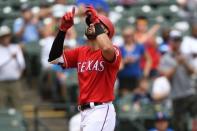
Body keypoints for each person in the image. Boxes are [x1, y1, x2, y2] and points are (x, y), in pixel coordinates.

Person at [48, 6, 121, 131]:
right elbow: (54, 58)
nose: (91, 25)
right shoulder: (80, 51)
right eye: (90, 23)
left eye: (95, 24)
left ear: (106, 32)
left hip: (101, 110)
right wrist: (63, 29)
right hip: (84, 112)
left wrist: (96, 21)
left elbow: (107, 49)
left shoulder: (113, 49)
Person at [159, 30, 197, 131]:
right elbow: (166, 76)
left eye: (179, 40)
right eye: (174, 40)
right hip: (176, 95)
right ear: (170, 41)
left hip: (190, 92)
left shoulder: (186, 55)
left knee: (194, 121)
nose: (177, 42)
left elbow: (193, 71)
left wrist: (184, 62)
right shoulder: (166, 58)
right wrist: (176, 64)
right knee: (179, 125)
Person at [118, 27, 151, 95]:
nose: (127, 38)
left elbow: (148, 59)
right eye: (125, 36)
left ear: (133, 36)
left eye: (129, 36)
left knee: (136, 99)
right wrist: (124, 61)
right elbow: (118, 65)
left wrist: (145, 73)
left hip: (136, 78)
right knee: (125, 100)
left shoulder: (139, 47)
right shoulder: (120, 48)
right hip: (123, 78)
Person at [0, 25, 25, 109]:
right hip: (1, 83)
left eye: (7, 36)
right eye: (3, 36)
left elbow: (22, 64)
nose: (5, 38)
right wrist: (10, 58)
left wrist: (19, 74)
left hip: (15, 82)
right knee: (2, 107)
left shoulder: (16, 47)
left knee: (18, 106)